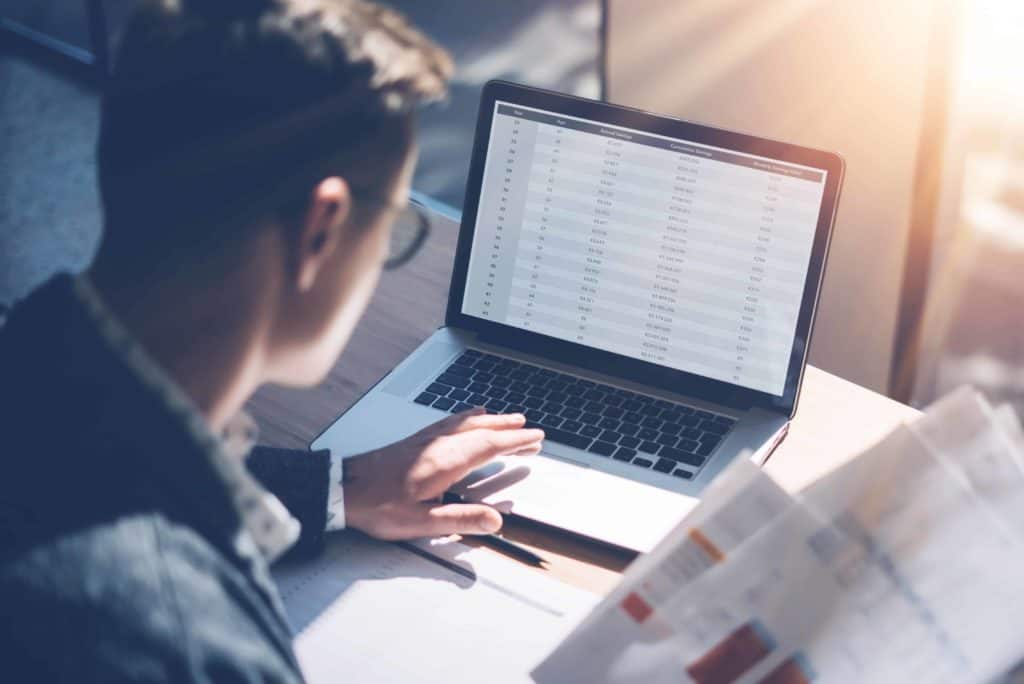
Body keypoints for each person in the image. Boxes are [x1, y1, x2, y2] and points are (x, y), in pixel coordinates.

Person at [0, 0, 545, 680]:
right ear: (322, 229)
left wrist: (340, 488)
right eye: (393, 226)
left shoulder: (27, 360)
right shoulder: (182, 644)